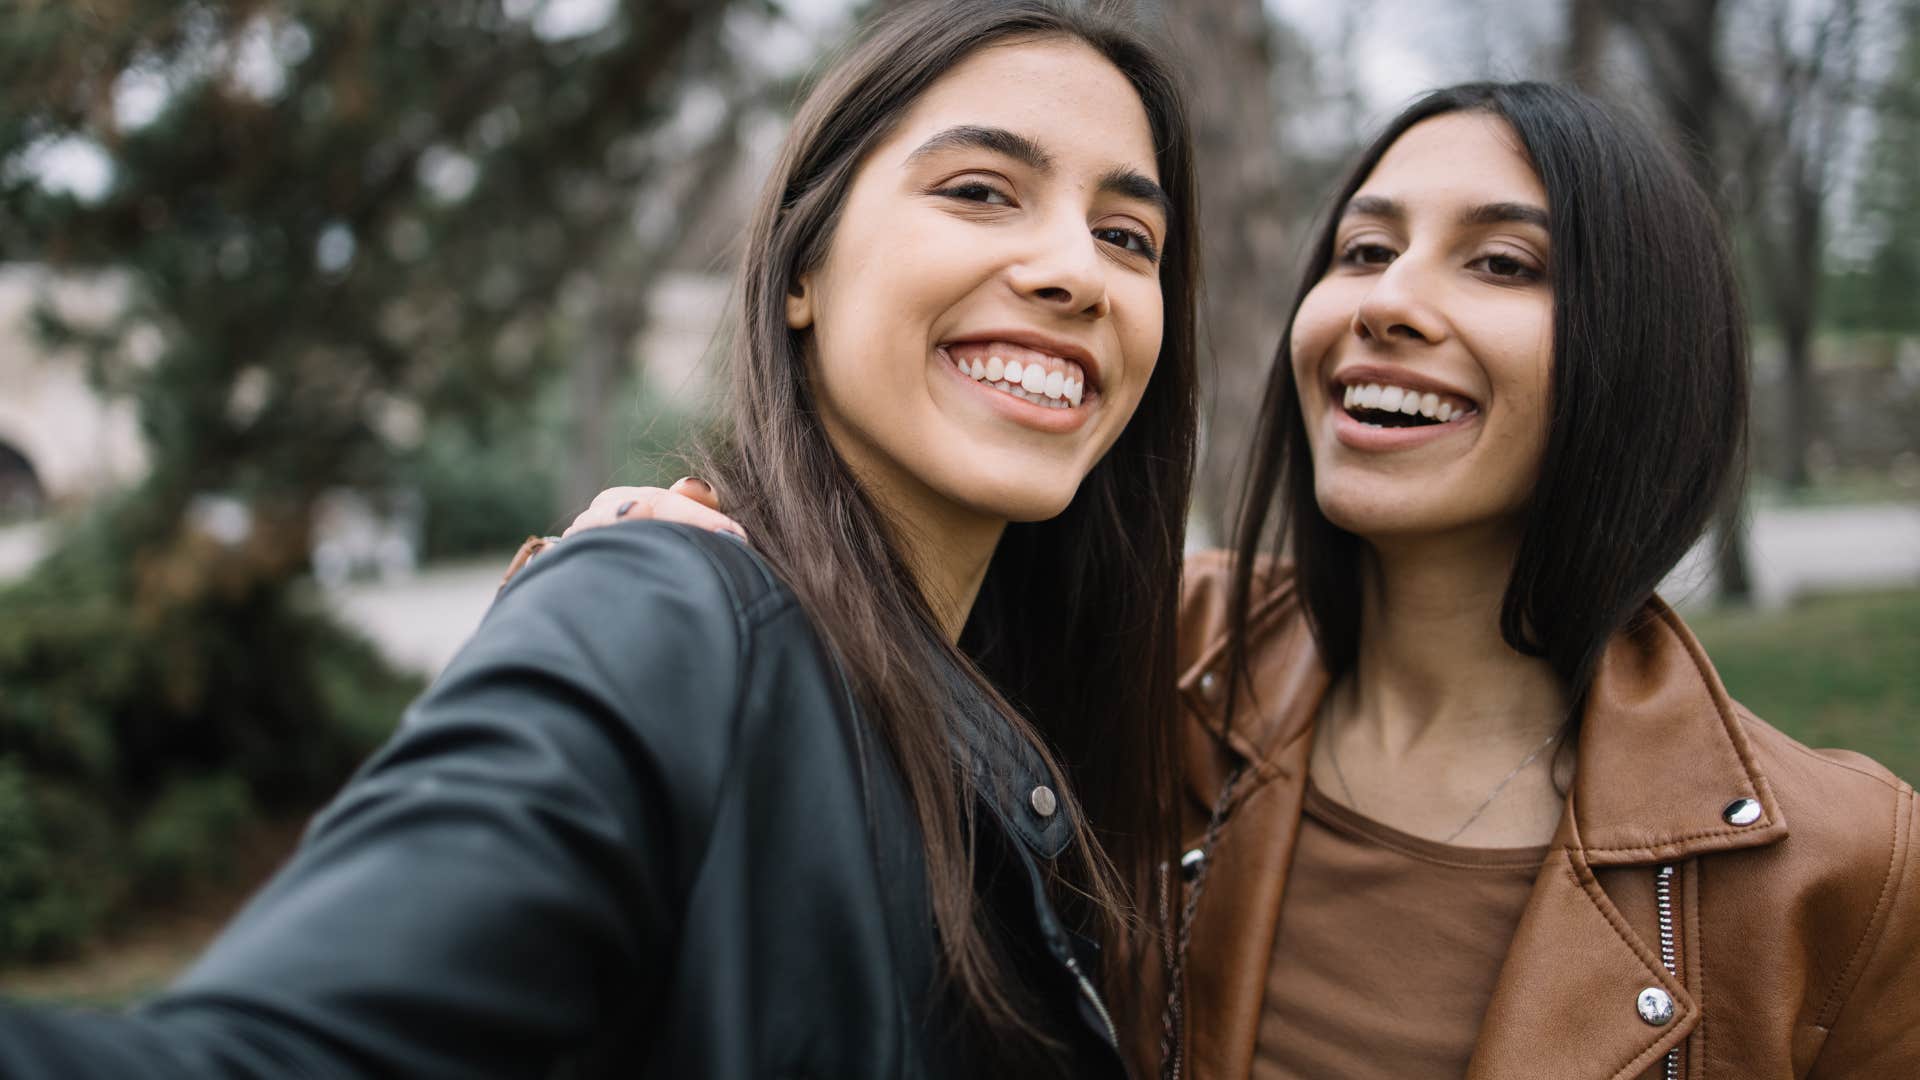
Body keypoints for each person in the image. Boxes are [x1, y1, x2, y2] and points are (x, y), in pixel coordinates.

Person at [572, 82, 1920, 1080]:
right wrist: (671, 574)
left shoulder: (1841, 872)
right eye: (1362, 249)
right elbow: (816, 641)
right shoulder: (1138, 652)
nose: (1386, 301)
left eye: (1501, 263)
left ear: (1646, 356)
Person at [0, 2, 1201, 1077]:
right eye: (982, 190)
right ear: (804, 269)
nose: (1074, 271)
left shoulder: (1053, 689)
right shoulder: (663, 615)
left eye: (1128, 237)